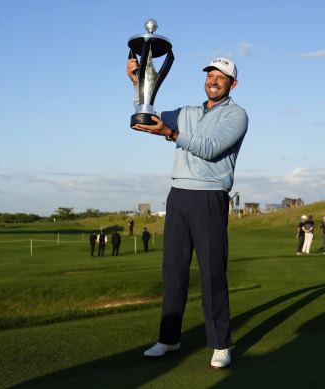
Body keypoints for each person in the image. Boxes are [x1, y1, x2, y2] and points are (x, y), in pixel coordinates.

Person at [127, 56, 248, 369]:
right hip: (178, 196)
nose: (213, 80)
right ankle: (169, 339)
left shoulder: (237, 115)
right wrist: (140, 84)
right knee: (174, 273)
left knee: (212, 274)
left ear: (232, 83)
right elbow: (148, 116)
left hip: (210, 196)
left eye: (221, 77)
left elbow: (210, 147)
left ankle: (220, 344)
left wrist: (171, 134)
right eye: (210, 75)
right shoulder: (187, 113)